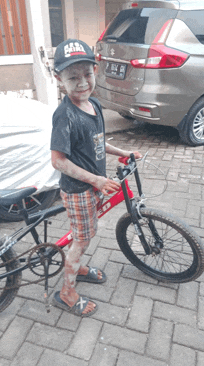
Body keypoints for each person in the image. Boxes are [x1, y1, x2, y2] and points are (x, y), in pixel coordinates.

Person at [50, 39, 141, 317]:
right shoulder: (65, 115)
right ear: (58, 79)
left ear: (96, 70)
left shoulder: (95, 106)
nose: (81, 83)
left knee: (86, 234)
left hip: (92, 187)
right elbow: (57, 161)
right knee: (82, 240)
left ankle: (80, 267)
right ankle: (66, 292)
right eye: (72, 77)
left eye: (87, 75)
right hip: (79, 189)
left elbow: (98, 142)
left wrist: (122, 151)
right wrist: (97, 181)